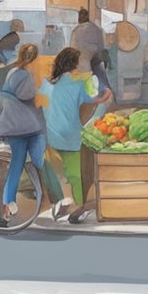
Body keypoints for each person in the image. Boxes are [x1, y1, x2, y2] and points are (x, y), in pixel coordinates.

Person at [40, 47, 113, 223]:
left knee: (55, 169)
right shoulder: (78, 84)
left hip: (50, 135)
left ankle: (58, 202)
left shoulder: (45, 84)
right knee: (75, 173)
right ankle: (80, 206)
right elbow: (93, 100)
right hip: (70, 135)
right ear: (74, 65)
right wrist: (106, 95)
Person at [0, 41, 50, 228]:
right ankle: (50, 200)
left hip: (12, 126)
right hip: (29, 127)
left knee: (15, 167)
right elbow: (27, 96)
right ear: (35, 58)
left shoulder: (12, 72)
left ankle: (7, 212)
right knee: (41, 162)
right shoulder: (27, 76)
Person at [70, 8, 105, 76]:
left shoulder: (76, 31)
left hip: (82, 65)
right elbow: (101, 47)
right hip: (96, 64)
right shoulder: (98, 30)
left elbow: (72, 49)